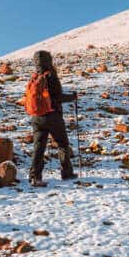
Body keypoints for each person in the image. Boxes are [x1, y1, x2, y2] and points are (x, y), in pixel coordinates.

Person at [27, 50, 76, 187]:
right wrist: (72, 97)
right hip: (52, 116)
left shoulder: (35, 76)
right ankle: (67, 173)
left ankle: (34, 177)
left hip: (36, 117)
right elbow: (57, 98)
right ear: (49, 60)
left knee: (39, 147)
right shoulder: (50, 75)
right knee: (62, 143)